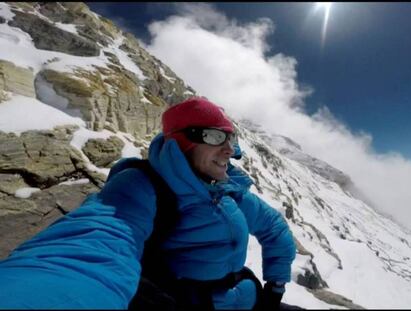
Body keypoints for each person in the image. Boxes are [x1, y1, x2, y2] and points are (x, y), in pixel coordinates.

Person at [0, 97, 296, 310]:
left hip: (247, 296)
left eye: (230, 137)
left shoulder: (227, 189)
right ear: (183, 142)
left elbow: (273, 227)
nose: (229, 149)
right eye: (216, 136)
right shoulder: (141, 187)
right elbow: (90, 249)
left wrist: (276, 286)